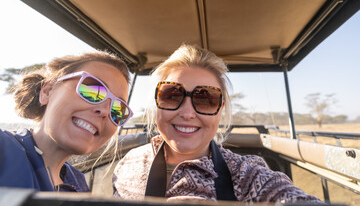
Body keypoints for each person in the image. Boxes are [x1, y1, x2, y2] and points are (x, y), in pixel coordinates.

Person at [112, 44, 322, 203]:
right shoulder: (128, 163)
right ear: (157, 103)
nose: (187, 113)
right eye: (172, 95)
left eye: (205, 99)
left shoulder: (245, 175)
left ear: (220, 111)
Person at [0, 51, 133, 192]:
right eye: (92, 90)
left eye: (118, 109)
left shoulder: (79, 185)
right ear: (47, 91)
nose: (106, 111)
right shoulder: (4, 149)